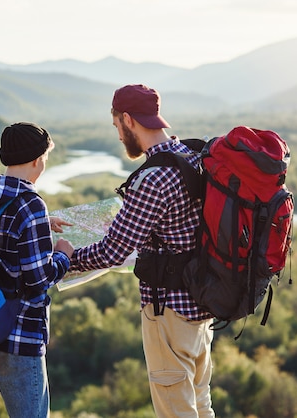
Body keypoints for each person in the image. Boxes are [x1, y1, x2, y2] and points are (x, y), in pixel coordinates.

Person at [70, 84, 215, 417]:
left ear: (127, 120)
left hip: (168, 314)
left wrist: (66, 256)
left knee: (175, 411)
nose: (119, 136)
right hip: (202, 306)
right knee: (200, 403)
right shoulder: (193, 157)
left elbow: (111, 253)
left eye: (117, 127)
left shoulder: (151, 179)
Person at [0, 122, 74, 418]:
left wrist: (41, 226)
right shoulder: (32, 205)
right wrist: (63, 255)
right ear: (37, 160)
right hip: (18, 335)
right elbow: (38, 280)